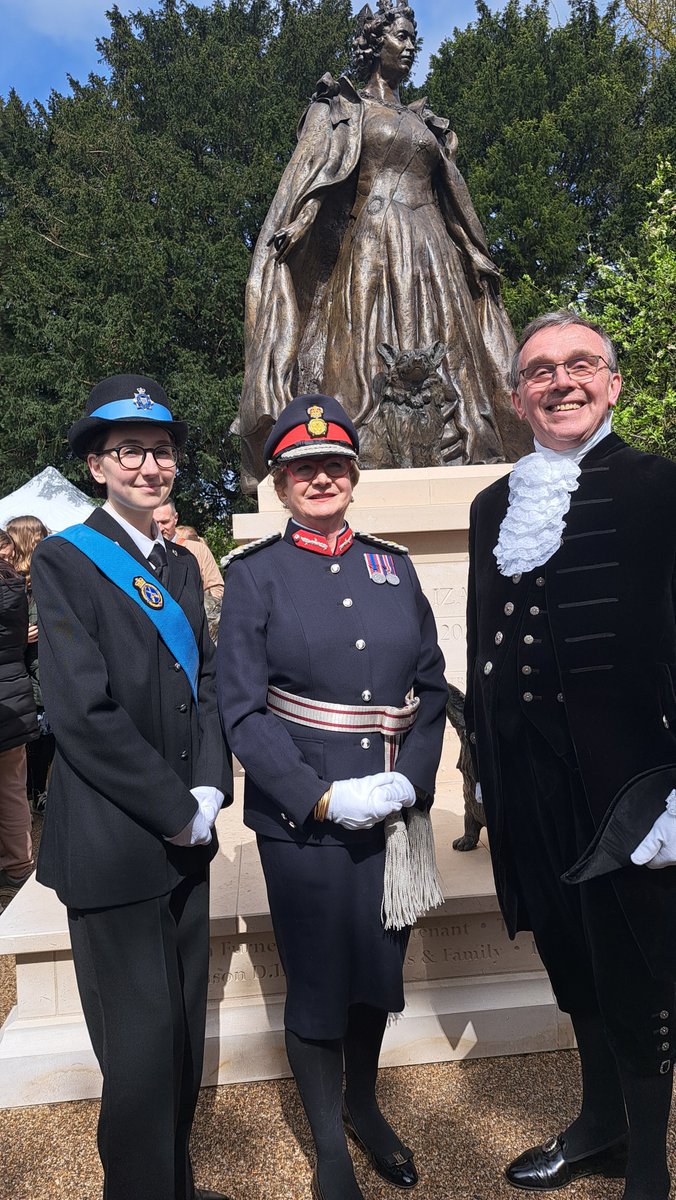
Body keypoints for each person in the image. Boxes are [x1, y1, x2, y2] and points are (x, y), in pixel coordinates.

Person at [466, 311, 676, 1200]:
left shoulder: (661, 487)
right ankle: (599, 1124)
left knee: (636, 962)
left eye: (581, 364)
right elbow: (487, 636)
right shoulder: (492, 506)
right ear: (519, 399)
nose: (563, 382)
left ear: (614, 382)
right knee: (571, 956)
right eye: (541, 372)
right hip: (532, 778)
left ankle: (649, 1166)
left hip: (628, 778)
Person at [217, 394, 448, 1200]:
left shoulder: (395, 565)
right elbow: (241, 709)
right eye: (301, 468)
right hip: (303, 822)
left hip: (390, 815)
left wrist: (411, 782)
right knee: (318, 980)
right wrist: (316, 799)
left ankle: (364, 1105)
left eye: (334, 466)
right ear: (279, 484)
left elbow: (431, 688)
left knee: (376, 975)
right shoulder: (255, 575)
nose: (320, 477)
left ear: (353, 476)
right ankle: (328, 1149)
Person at [31, 375, 232, 1200]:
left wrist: (213, 788)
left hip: (188, 837)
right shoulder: (64, 557)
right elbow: (82, 712)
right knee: (141, 1054)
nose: (150, 466)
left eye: (160, 450)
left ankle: (174, 1186)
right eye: (129, 451)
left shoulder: (178, 559)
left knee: (182, 1035)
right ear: (96, 465)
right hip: (118, 844)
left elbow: (211, 681)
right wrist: (175, 807)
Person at [235, 0, 524, 492]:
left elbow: (452, 200)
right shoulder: (342, 108)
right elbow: (307, 178)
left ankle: (457, 448)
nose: (410, 47)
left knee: (450, 348)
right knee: (364, 347)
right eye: (401, 37)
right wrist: (300, 220)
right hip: (370, 239)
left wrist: (473, 253)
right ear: (374, 44)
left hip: (432, 247)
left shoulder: (426, 121)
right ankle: (362, 448)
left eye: (413, 39)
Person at [5, 514, 54, 811]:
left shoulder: (39, 582)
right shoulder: (16, 584)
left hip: (34, 679)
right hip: (26, 680)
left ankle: (37, 793)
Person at [0, 536, 38, 893]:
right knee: (12, 789)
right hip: (15, 695)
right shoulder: (13, 584)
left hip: (7, 697)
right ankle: (19, 865)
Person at [155, 504, 225, 602]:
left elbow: (216, 588)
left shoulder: (198, 549)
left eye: (165, 522)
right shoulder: (144, 550)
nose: (160, 528)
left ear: (175, 518)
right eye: (155, 522)